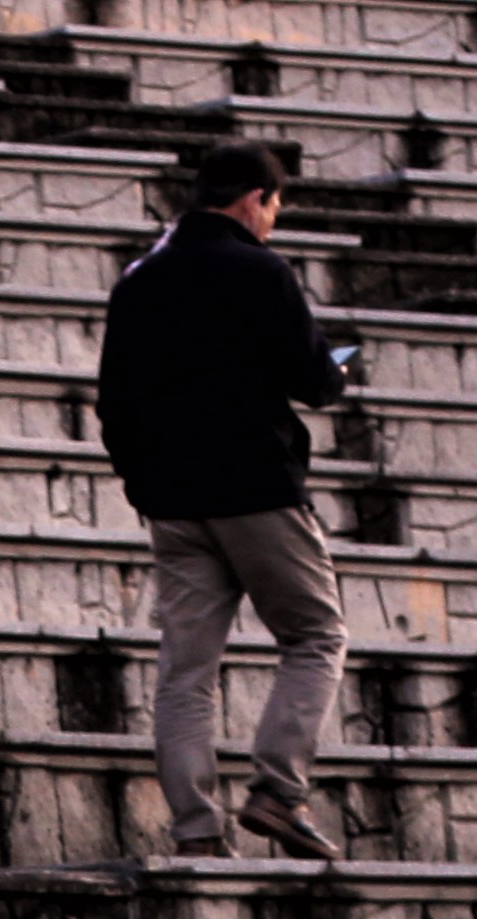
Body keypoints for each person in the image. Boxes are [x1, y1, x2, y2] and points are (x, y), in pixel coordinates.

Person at [97, 140, 353, 859]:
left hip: (174, 500)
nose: (273, 220)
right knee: (315, 634)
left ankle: (196, 830)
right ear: (254, 200)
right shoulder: (261, 270)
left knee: (187, 669)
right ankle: (277, 791)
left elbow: (113, 402)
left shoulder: (140, 279)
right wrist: (338, 365)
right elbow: (314, 381)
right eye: (275, 206)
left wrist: (143, 486)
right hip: (257, 488)